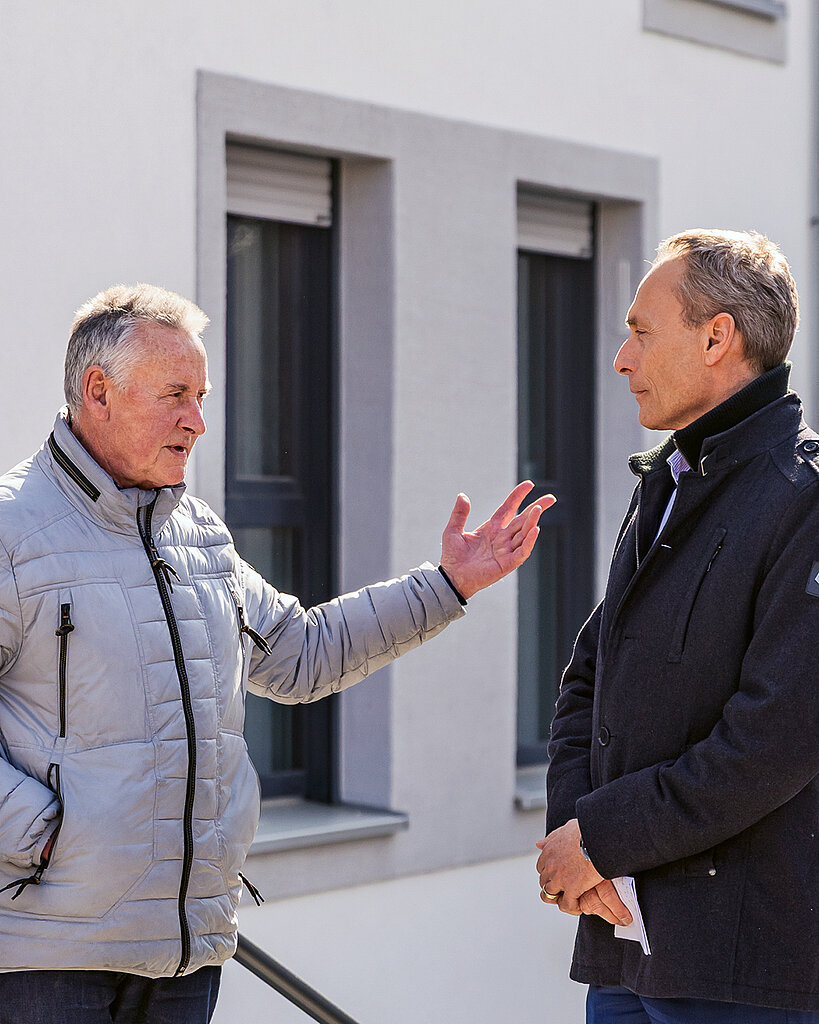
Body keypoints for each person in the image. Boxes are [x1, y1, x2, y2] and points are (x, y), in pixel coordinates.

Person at [0, 283, 552, 1024]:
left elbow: (300, 653)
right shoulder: (12, 531)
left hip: (186, 954)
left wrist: (448, 585)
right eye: (176, 396)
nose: (198, 421)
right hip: (45, 958)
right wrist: (39, 835)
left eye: (202, 397)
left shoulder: (198, 535)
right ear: (98, 392)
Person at [536, 229, 819, 1023]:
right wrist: (573, 835)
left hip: (739, 972)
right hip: (622, 944)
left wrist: (598, 840)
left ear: (716, 338)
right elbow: (589, 676)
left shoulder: (803, 497)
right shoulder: (666, 481)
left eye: (640, 331)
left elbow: (772, 742)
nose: (620, 359)